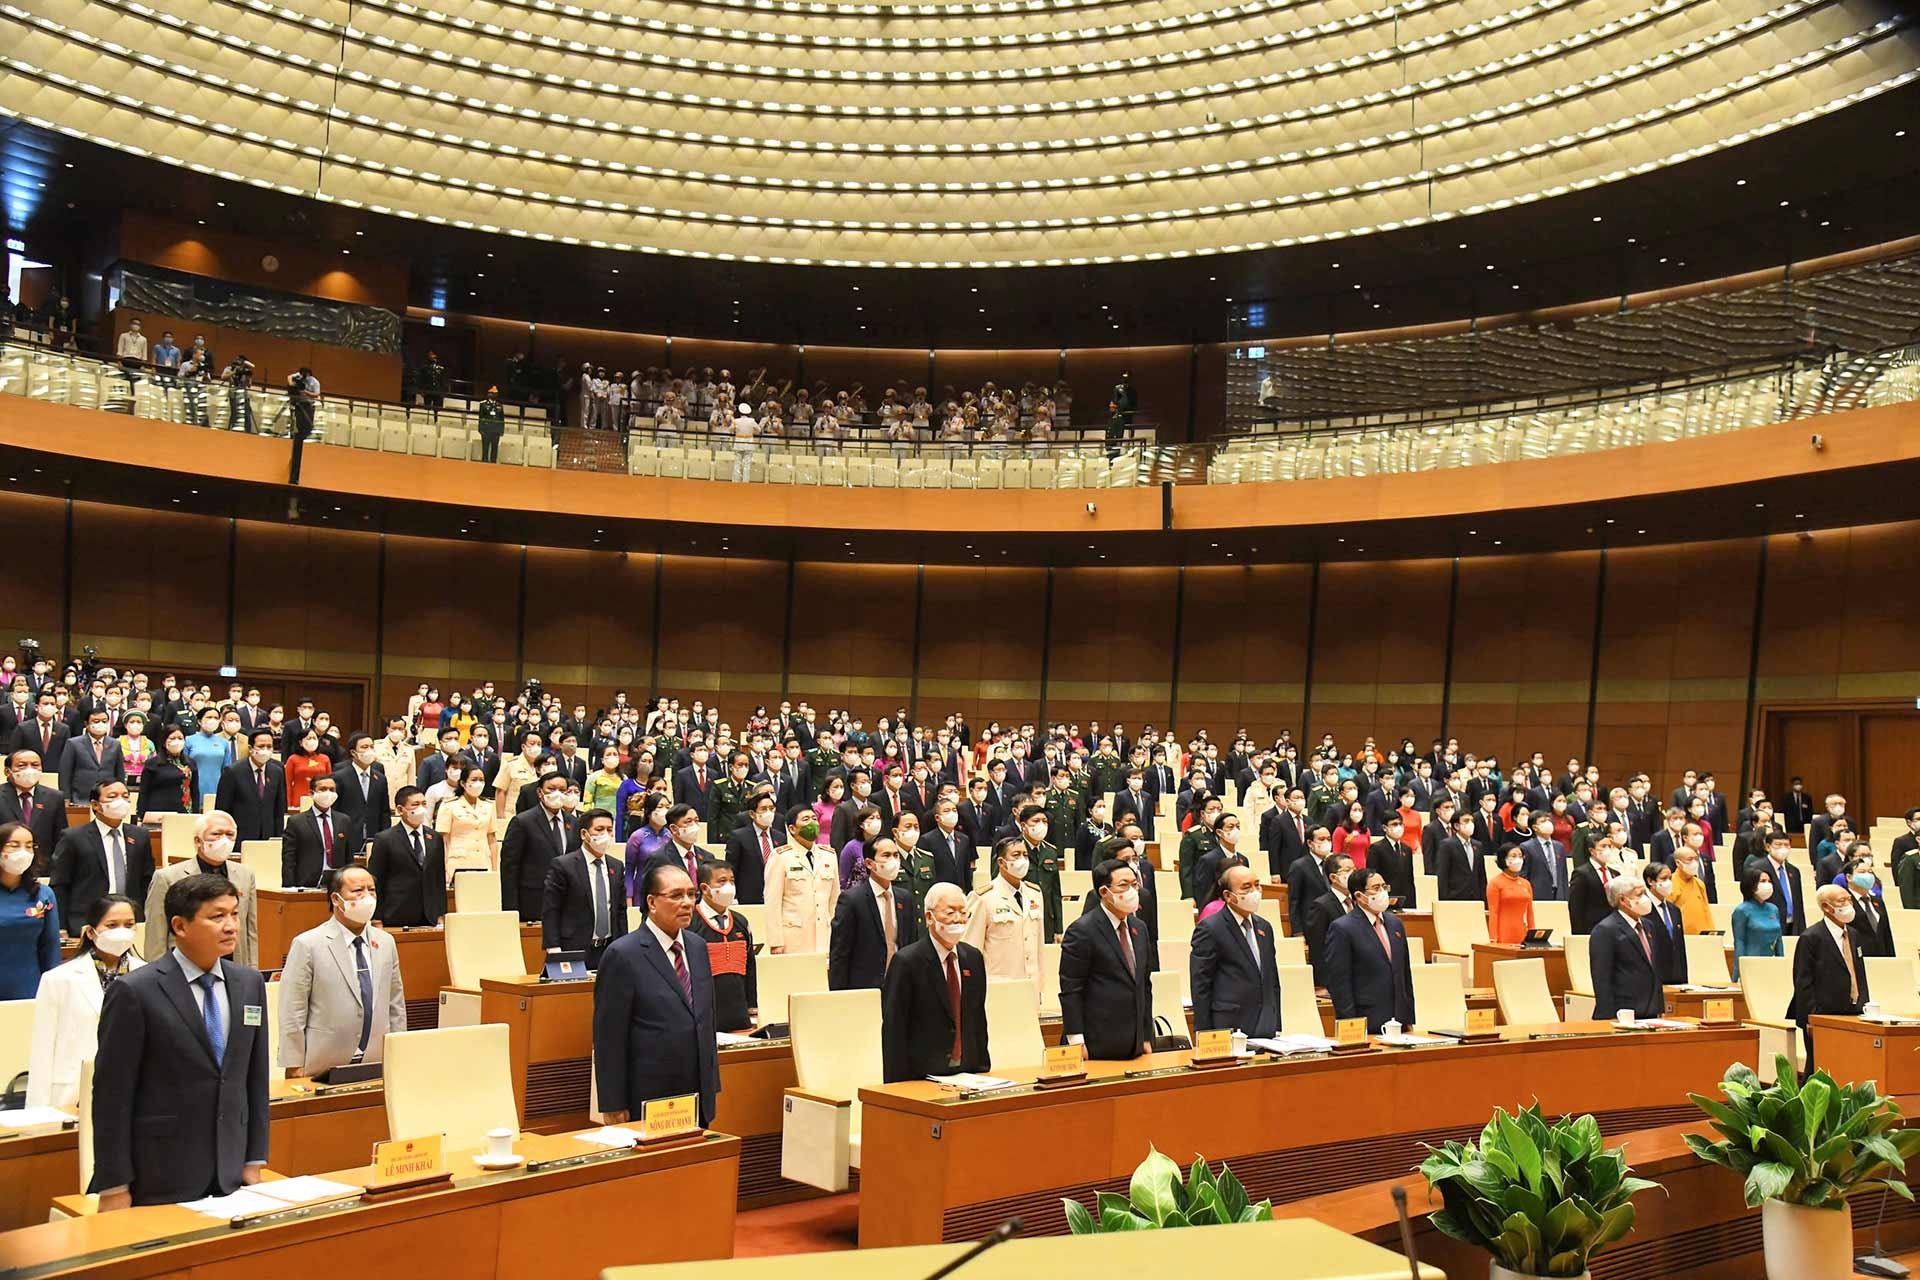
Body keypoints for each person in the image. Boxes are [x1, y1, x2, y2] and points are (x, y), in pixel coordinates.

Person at [90, 873, 271, 1208]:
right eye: (217, 917)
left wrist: (254, 1158)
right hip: (161, 1172)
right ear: (180, 925)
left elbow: (255, 1078)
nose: (231, 925)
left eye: (234, 914)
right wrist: (114, 1184)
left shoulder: (249, 984)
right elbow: (111, 1096)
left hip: (232, 1171)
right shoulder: (135, 991)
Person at [592, 863, 721, 1127]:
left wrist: (712, 1083)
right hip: (648, 1094)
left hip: (698, 1091)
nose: (686, 903)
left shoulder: (697, 947)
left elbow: (705, 1017)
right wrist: (613, 1102)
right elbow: (609, 1037)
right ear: (651, 902)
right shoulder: (623, 954)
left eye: (691, 894)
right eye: (676, 896)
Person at [279, 866, 407, 1079]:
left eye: (372, 890)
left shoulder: (386, 942)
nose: (367, 897)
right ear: (336, 899)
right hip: (322, 1063)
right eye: (358, 891)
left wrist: (400, 1051)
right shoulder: (308, 944)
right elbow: (292, 1009)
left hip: (377, 1061)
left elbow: (395, 1003)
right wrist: (294, 1064)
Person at [28, 893, 141, 1106]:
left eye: (129, 925)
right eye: (112, 925)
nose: (122, 932)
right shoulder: (59, 980)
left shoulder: (149, 976)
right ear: (90, 932)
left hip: (134, 1089)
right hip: (74, 1093)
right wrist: (38, 1112)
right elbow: (42, 1051)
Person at [881, 882, 989, 1082]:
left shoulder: (973, 958)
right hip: (920, 1075)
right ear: (929, 917)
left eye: (963, 913)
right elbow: (894, 1031)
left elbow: (977, 1020)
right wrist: (896, 1086)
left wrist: (983, 1070)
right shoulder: (907, 962)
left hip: (968, 1073)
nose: (958, 919)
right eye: (949, 913)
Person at [1057, 857, 1153, 1060]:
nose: (1132, 891)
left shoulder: (1139, 928)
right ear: (1103, 892)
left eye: (1134, 885)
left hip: (1135, 1043)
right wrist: (1076, 1040)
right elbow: (1071, 990)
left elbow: (1144, 985)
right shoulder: (1082, 930)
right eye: (1123, 885)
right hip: (1097, 1043)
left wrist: (1146, 1036)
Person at [145, 811, 259, 967]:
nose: (224, 840)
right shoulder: (167, 877)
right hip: (183, 968)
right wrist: (156, 976)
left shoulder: (245, 875)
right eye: (216, 834)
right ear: (198, 841)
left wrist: (252, 970)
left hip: (233, 964)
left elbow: (250, 930)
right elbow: (155, 936)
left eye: (229, 834)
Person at [51, 780, 155, 939]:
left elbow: (146, 881)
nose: (120, 801)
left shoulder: (140, 836)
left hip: (130, 922)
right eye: (112, 796)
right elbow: (60, 884)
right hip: (86, 922)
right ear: (95, 805)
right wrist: (61, 927)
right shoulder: (73, 837)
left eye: (125, 796)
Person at [1190, 863, 1280, 1038]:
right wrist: (1205, 1033)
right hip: (1229, 1023)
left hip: (1265, 1023)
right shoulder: (1210, 928)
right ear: (1228, 896)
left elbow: (1272, 977)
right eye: (1246, 887)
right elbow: (1201, 983)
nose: (1255, 891)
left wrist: (1276, 1021)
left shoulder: (1264, 927)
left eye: (1257, 884)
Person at [1788, 885, 1872, 1073]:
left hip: (1853, 1012)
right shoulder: (1811, 937)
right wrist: (1811, 1018)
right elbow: (1803, 982)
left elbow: (1859, 973)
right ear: (1826, 907)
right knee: (1819, 1068)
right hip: (1822, 1015)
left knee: (1849, 1067)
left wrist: (1865, 1006)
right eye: (1842, 901)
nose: (1849, 904)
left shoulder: (1854, 935)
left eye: (1849, 900)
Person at [1323, 867, 1416, 1033]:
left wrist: (1408, 1018)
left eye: (1384, 887)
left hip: (1398, 1020)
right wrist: (1350, 1025)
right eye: (1376, 888)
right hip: (1366, 1019)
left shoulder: (1395, 924)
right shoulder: (1343, 928)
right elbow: (1339, 983)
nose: (1382, 892)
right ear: (1359, 896)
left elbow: (1404, 974)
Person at [541, 807, 629, 970]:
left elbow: (620, 910)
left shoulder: (616, 866)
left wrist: (624, 944)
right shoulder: (563, 865)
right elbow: (551, 910)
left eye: (609, 830)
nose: (605, 835)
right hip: (574, 948)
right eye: (599, 829)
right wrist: (553, 948)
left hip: (610, 948)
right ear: (584, 834)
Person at [827, 835, 916, 990]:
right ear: (869, 863)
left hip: (901, 985)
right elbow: (840, 953)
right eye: (886, 855)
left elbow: (911, 944)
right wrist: (838, 996)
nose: (893, 860)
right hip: (865, 986)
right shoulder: (851, 900)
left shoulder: (905, 898)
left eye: (896, 855)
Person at [963, 835, 1045, 991]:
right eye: (1016, 855)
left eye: (1025, 855)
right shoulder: (982, 897)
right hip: (997, 986)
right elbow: (970, 949)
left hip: (1030, 985)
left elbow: (1038, 946)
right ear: (1001, 862)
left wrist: (1040, 985)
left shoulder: (1035, 893)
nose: (1023, 860)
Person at [688, 862, 757, 1032]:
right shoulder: (689, 923)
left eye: (732, 881)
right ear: (704, 888)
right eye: (722, 881)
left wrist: (753, 1010)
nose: (729, 886)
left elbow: (750, 968)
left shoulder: (741, 922)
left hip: (738, 1016)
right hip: (703, 1017)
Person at [366, 787, 448, 928]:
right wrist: (376, 918)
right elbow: (375, 880)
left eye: (424, 803)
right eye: (415, 805)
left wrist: (441, 914)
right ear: (400, 809)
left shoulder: (435, 837)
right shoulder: (385, 839)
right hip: (396, 914)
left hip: (430, 916)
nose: (421, 808)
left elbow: (438, 879)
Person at [762, 806, 838, 956]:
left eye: (814, 819)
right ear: (792, 829)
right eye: (805, 819)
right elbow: (773, 902)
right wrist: (776, 942)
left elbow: (834, 900)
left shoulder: (829, 855)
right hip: (793, 937)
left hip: (825, 935)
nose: (812, 823)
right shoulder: (780, 856)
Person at [1589, 875, 1664, 1022]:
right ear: (1622, 900)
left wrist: (1658, 1006)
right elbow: (1601, 978)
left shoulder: (1649, 926)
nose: (1645, 899)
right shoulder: (1605, 929)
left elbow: (1653, 969)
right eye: (1639, 894)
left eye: (1645, 893)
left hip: (1650, 1011)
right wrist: (1609, 1018)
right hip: (1622, 1013)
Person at [0, 821, 61, 999]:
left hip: (29, 988)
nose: (23, 852)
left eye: (29, 846)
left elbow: (50, 948)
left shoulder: (44, 895)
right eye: (14, 845)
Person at [281, 775, 362, 890]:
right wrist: (289, 888)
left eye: (332, 789)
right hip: (305, 884)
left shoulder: (344, 820)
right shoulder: (296, 822)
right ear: (311, 793)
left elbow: (348, 857)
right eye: (323, 789)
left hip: (337, 885)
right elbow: (288, 859)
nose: (328, 793)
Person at [215, 730, 287, 843]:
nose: (265, 750)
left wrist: (278, 838)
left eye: (269, 746)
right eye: (261, 746)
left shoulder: (277, 772)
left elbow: (279, 810)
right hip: (240, 837)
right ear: (250, 748)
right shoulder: (233, 772)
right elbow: (222, 810)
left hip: (268, 837)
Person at [1, 749, 68, 869]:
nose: (29, 769)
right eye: (22, 765)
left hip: (43, 869)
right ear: (7, 771)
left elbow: (60, 839)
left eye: (35, 765)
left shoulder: (55, 797)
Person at [722, 789, 779, 906]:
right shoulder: (738, 837)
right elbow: (732, 868)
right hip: (747, 898)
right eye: (764, 809)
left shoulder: (780, 837)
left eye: (771, 808)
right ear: (752, 814)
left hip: (775, 897)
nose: (769, 812)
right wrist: (734, 896)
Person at [60, 708, 126, 802]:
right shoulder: (73, 743)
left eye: (104, 721)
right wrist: (66, 798)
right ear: (87, 724)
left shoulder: (115, 744)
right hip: (80, 798)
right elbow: (65, 774)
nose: (100, 724)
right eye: (96, 721)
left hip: (108, 799)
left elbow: (120, 774)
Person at [1732, 865, 1785, 979]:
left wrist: (1782, 965)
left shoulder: (1773, 909)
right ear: (1751, 885)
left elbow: (1779, 940)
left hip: (1771, 965)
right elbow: (1739, 943)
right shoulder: (1742, 910)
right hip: (1751, 965)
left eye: (1769, 881)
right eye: (1763, 881)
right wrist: (1737, 974)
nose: (1768, 884)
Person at [134, 725, 195, 819]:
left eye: (180, 738)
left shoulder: (190, 763)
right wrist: (140, 816)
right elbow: (144, 792)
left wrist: (196, 815)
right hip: (157, 813)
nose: (177, 741)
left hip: (184, 813)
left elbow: (195, 791)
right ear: (164, 741)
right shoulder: (152, 764)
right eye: (172, 738)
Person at [1486, 843, 1535, 944]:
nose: (1518, 859)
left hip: (1521, 931)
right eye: (1513, 856)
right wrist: (1493, 938)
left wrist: (1532, 935)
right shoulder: (1495, 883)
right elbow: (1493, 913)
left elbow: (1530, 913)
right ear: (1504, 859)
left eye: (1520, 856)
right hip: (1503, 931)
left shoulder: (1526, 884)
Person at [286, 365, 320, 485]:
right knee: (298, 429)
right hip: (297, 404)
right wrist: (292, 385)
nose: (304, 377)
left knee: (308, 428)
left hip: (308, 405)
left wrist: (304, 392)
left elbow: (317, 395)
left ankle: (302, 441)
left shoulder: (314, 382)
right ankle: (296, 442)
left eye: (306, 375)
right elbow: (289, 377)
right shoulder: (298, 376)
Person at [1669, 844, 1713, 933]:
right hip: (1681, 934)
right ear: (1678, 863)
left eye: (1695, 859)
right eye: (1690, 859)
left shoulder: (1699, 883)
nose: (1694, 863)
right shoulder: (1671, 883)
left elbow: (1706, 910)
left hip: (1701, 934)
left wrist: (1711, 931)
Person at [477, 386, 506, 462]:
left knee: (494, 448)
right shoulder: (483, 404)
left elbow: (501, 419)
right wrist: (480, 429)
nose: (494, 395)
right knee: (485, 448)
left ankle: (493, 464)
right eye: (492, 393)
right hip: (486, 429)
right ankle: (484, 462)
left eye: (496, 393)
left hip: (496, 430)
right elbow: (480, 417)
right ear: (489, 394)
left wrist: (501, 430)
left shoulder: (499, 405)